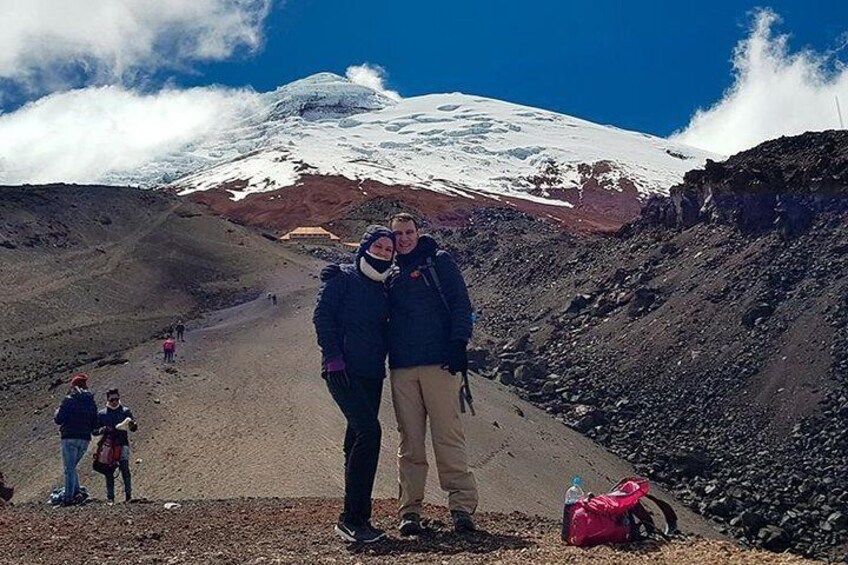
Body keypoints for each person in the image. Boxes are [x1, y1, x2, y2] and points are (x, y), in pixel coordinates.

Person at [387, 212, 478, 534]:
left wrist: (458, 343)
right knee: (409, 441)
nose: (405, 238)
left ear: (418, 232)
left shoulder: (439, 262)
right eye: (398, 234)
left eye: (409, 231)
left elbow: (461, 304)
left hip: (439, 364)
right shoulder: (390, 271)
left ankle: (462, 508)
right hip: (402, 367)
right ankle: (409, 510)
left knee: (447, 436)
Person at [313, 225, 396, 544]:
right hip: (342, 371)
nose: (384, 253)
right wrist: (333, 356)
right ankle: (352, 519)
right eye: (379, 247)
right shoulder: (342, 278)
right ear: (365, 247)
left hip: (372, 373)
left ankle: (354, 518)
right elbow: (323, 317)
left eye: (389, 250)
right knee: (370, 432)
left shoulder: (384, 286)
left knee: (355, 442)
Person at [53, 373, 98, 506]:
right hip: (84, 439)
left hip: (69, 438)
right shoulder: (91, 402)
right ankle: (77, 492)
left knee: (69, 468)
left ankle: (68, 498)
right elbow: (95, 423)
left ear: (74, 386)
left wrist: (57, 411)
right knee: (73, 467)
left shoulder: (68, 400)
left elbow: (58, 419)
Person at [92, 388, 138, 503]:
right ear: (108, 399)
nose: (114, 402)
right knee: (109, 472)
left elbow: (134, 428)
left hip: (122, 444)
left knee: (125, 469)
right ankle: (110, 498)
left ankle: (128, 496)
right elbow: (94, 430)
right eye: (112, 399)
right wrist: (102, 430)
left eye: (116, 399)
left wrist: (132, 425)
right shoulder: (102, 414)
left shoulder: (125, 411)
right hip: (108, 445)